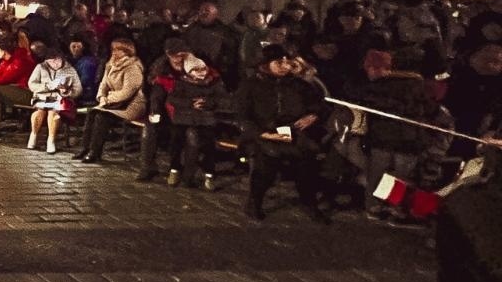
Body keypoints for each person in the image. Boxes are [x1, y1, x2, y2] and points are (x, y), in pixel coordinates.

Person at [235, 44, 327, 220]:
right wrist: (264, 133)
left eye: (287, 62)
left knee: (307, 161)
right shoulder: (251, 85)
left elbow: (320, 104)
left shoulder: (298, 84)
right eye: (279, 62)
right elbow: (242, 117)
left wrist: (313, 115)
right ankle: (255, 202)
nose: (285, 66)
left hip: (293, 131)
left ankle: (308, 201)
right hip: (263, 133)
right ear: (266, 64)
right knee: (265, 162)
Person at [348, 47, 439, 223]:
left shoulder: (395, 86)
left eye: (376, 68)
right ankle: (384, 205)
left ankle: (381, 205)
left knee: (387, 174)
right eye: (369, 67)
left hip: (396, 139)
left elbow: (425, 108)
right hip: (395, 139)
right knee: (390, 175)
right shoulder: (418, 85)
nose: (372, 71)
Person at [163, 55, 230, 189]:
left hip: (205, 119)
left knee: (208, 144)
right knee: (177, 140)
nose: (201, 72)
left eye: (203, 69)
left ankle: (209, 174)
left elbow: (224, 100)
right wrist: (190, 103)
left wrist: (207, 103)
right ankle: (175, 169)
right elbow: (172, 99)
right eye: (196, 70)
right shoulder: (181, 82)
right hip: (184, 118)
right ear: (188, 71)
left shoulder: (213, 83)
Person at [75, 35, 146, 162]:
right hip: (113, 103)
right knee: (92, 113)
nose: (114, 52)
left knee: (101, 117)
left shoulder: (133, 67)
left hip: (131, 105)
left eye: (118, 49)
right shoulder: (110, 65)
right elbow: (104, 84)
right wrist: (102, 97)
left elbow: (128, 91)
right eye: (113, 49)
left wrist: (108, 98)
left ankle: (94, 152)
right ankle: (85, 148)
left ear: (127, 51)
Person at [137, 37, 193, 182]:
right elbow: (155, 94)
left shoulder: (194, 67)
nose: (177, 59)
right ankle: (147, 167)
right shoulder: (161, 68)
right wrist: (155, 112)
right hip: (166, 111)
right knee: (149, 128)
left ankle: (181, 171)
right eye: (173, 55)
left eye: (180, 55)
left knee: (184, 132)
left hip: (187, 112)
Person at [0, 39, 38, 141]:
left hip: (28, 93)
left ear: (4, 51)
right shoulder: (6, 61)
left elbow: (5, 79)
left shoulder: (20, 61)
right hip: (15, 90)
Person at [26, 50, 82, 153]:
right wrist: (47, 86)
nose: (55, 64)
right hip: (42, 97)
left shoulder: (70, 70)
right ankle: (33, 136)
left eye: (57, 61)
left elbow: (78, 89)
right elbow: (32, 84)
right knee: (39, 112)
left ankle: (51, 140)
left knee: (53, 113)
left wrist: (66, 92)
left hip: (59, 99)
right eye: (51, 61)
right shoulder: (40, 67)